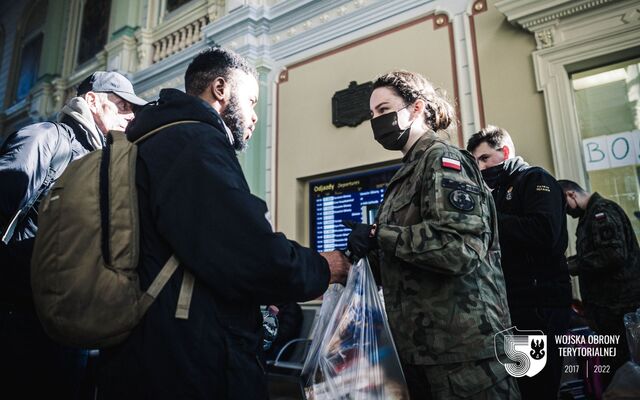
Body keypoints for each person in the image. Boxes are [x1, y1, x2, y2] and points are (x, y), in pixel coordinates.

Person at [95, 47, 350, 400]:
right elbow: (250, 255)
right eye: (252, 101)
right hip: (190, 363)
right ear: (220, 89)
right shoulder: (194, 143)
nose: (255, 116)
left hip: (142, 350)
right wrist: (326, 267)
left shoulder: (152, 139)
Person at [345, 70, 518, 399]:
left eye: (383, 110)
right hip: (423, 353)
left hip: (466, 356)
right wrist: (365, 253)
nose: (376, 121)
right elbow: (405, 258)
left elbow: (459, 247)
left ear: (415, 108)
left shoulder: (443, 160)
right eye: (372, 114)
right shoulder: (408, 171)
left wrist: (378, 234)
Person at [0, 71, 146, 399]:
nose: (130, 115)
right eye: (121, 105)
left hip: (72, 328)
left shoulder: (107, 166)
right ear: (92, 100)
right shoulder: (47, 138)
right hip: (22, 320)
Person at [467, 125, 572, 400]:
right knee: (525, 383)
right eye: (476, 161)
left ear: (504, 152)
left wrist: (489, 219)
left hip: (541, 304)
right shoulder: (497, 193)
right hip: (516, 305)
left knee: (540, 385)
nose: (480, 167)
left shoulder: (535, 179)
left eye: (484, 158)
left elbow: (545, 231)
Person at [559, 179, 640, 388]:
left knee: (621, 372)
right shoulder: (589, 216)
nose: (566, 212)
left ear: (571, 195)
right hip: (606, 310)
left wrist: (568, 267)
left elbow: (613, 254)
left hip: (618, 308)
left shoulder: (601, 213)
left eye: (565, 206)